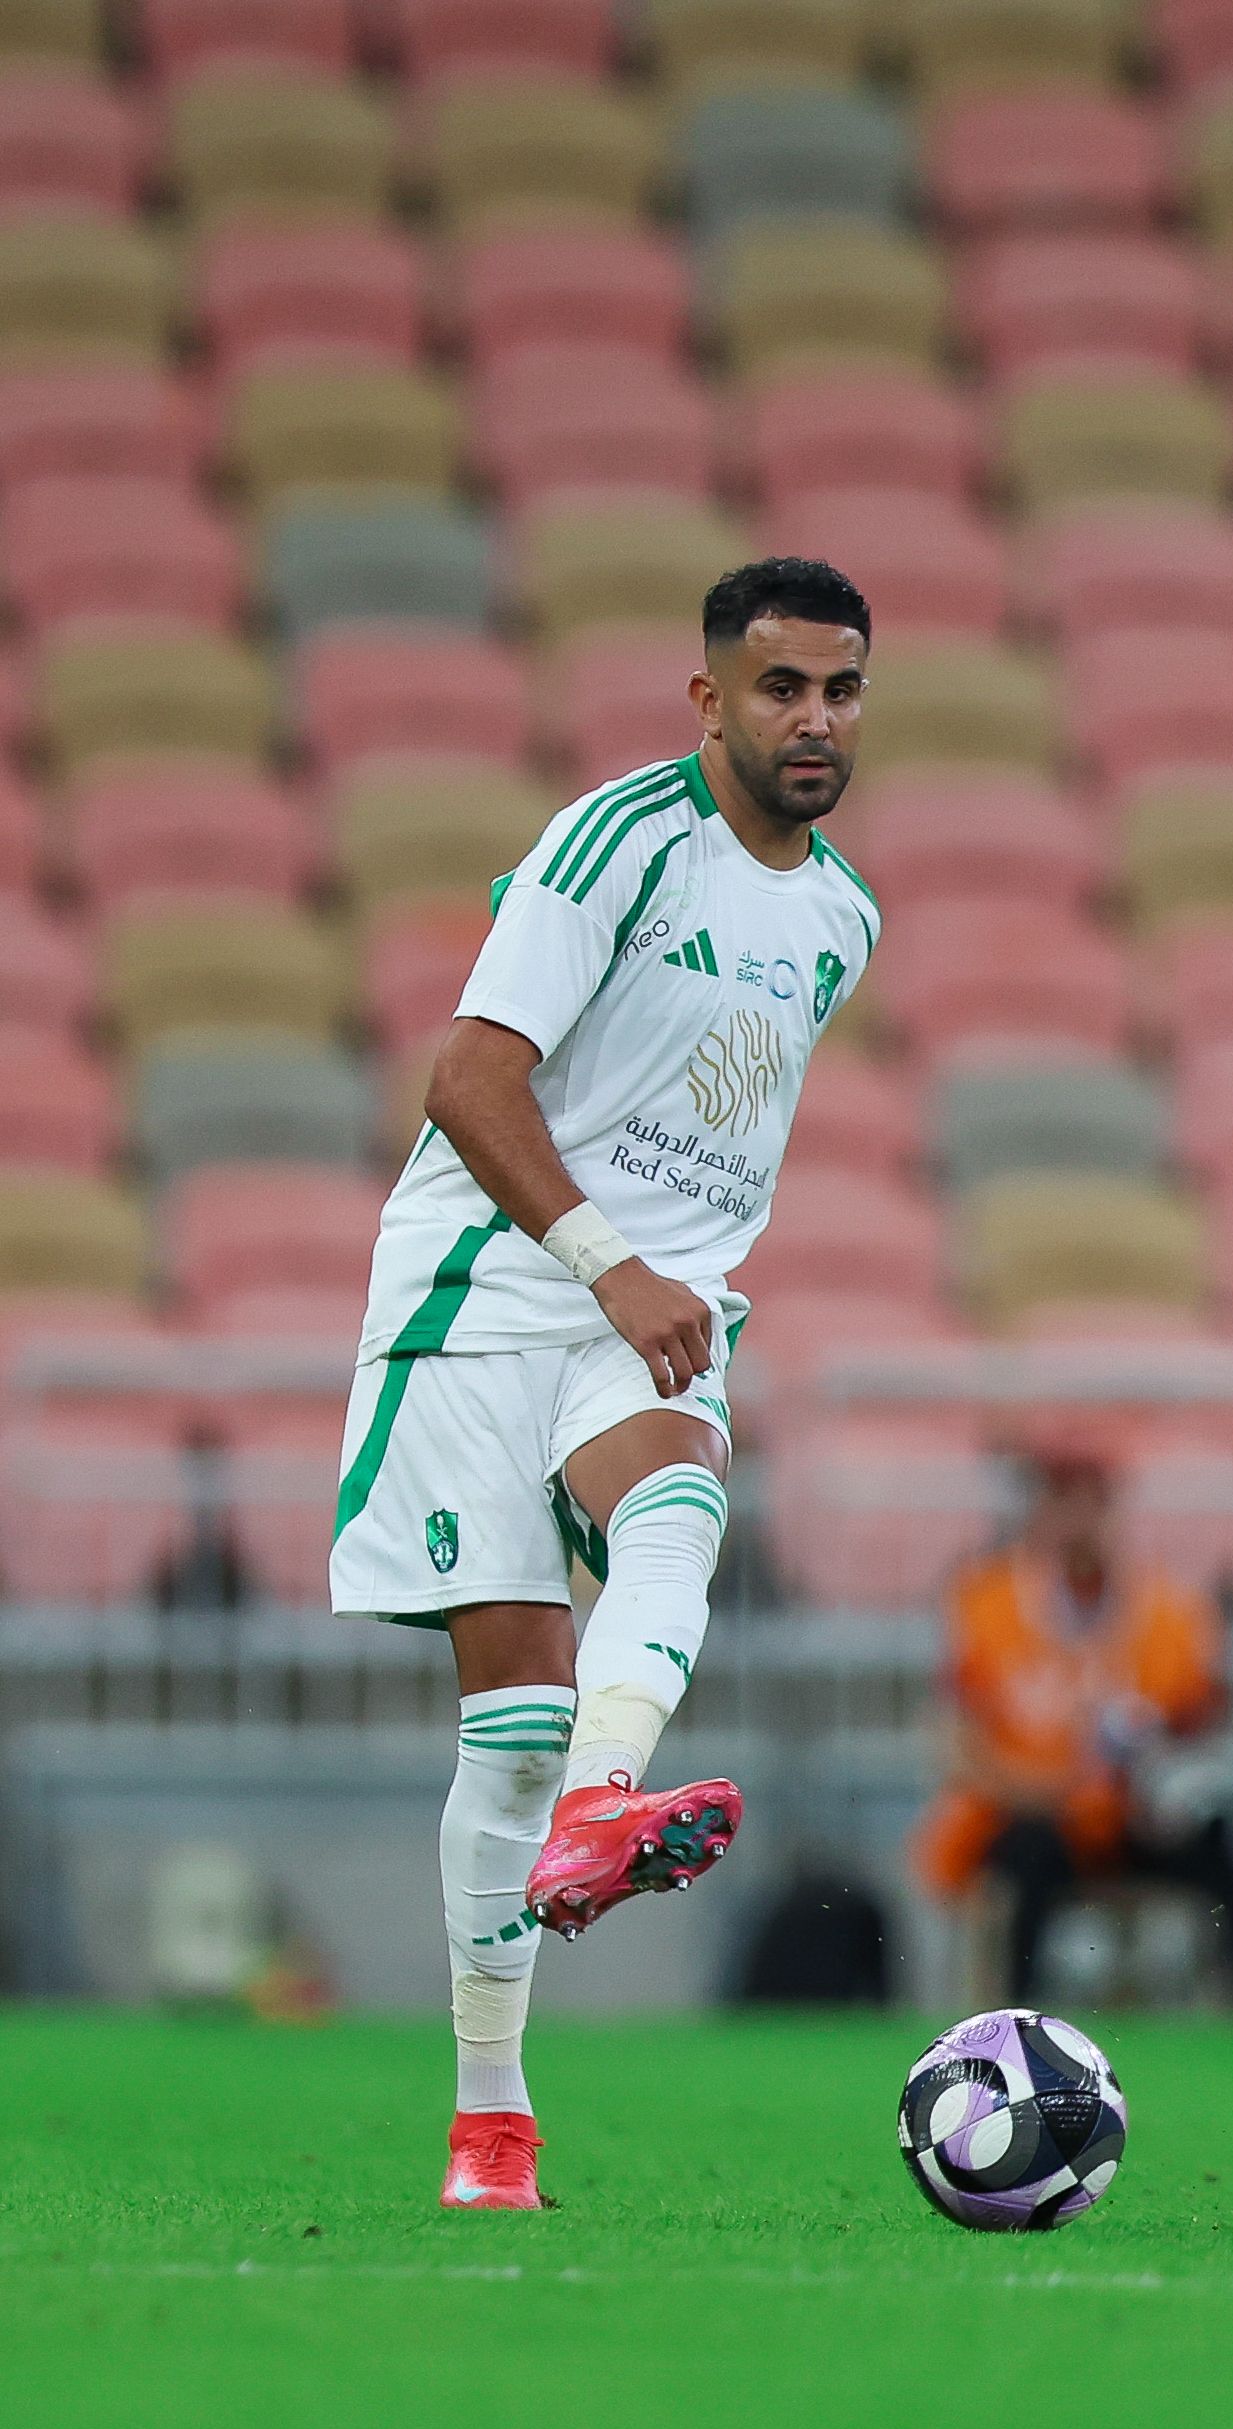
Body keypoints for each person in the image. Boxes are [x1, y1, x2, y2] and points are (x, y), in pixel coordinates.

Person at [330, 558, 884, 2213]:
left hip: (648, 1309)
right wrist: (610, 1261)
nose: (815, 718)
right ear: (709, 697)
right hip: (484, 1287)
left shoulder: (842, 919)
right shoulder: (616, 839)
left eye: (842, 687)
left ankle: (604, 1803)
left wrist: (674, 1280)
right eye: (781, 687)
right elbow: (467, 1076)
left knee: (683, 1496)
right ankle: (489, 2123)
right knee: (503, 1721)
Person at [915, 1443, 1233, 2009]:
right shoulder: (986, 1605)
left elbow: (1199, 1721)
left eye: (1093, 1506)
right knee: (1027, 1863)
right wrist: (1040, 1791)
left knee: (1220, 1838)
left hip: (1130, 1816)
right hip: (1032, 1815)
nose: (1078, 1524)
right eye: (1064, 1505)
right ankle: (1009, 2031)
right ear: (1040, 1515)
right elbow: (956, 1740)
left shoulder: (1168, 1610)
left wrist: (1161, 1775)